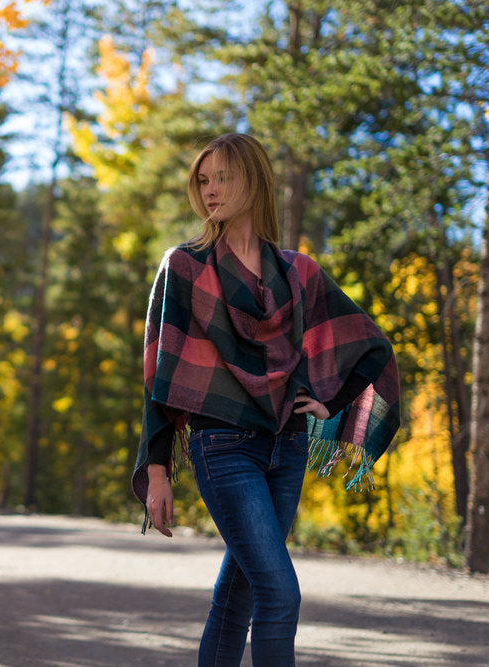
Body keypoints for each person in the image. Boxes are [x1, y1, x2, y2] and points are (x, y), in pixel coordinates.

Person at [132, 133, 401, 666]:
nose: (210, 191)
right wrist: (157, 468)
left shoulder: (296, 272)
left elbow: (369, 344)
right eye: (203, 180)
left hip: (287, 445)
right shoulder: (185, 266)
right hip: (222, 446)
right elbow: (160, 373)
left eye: (223, 178)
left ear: (253, 181)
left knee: (240, 598)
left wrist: (331, 401)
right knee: (280, 593)